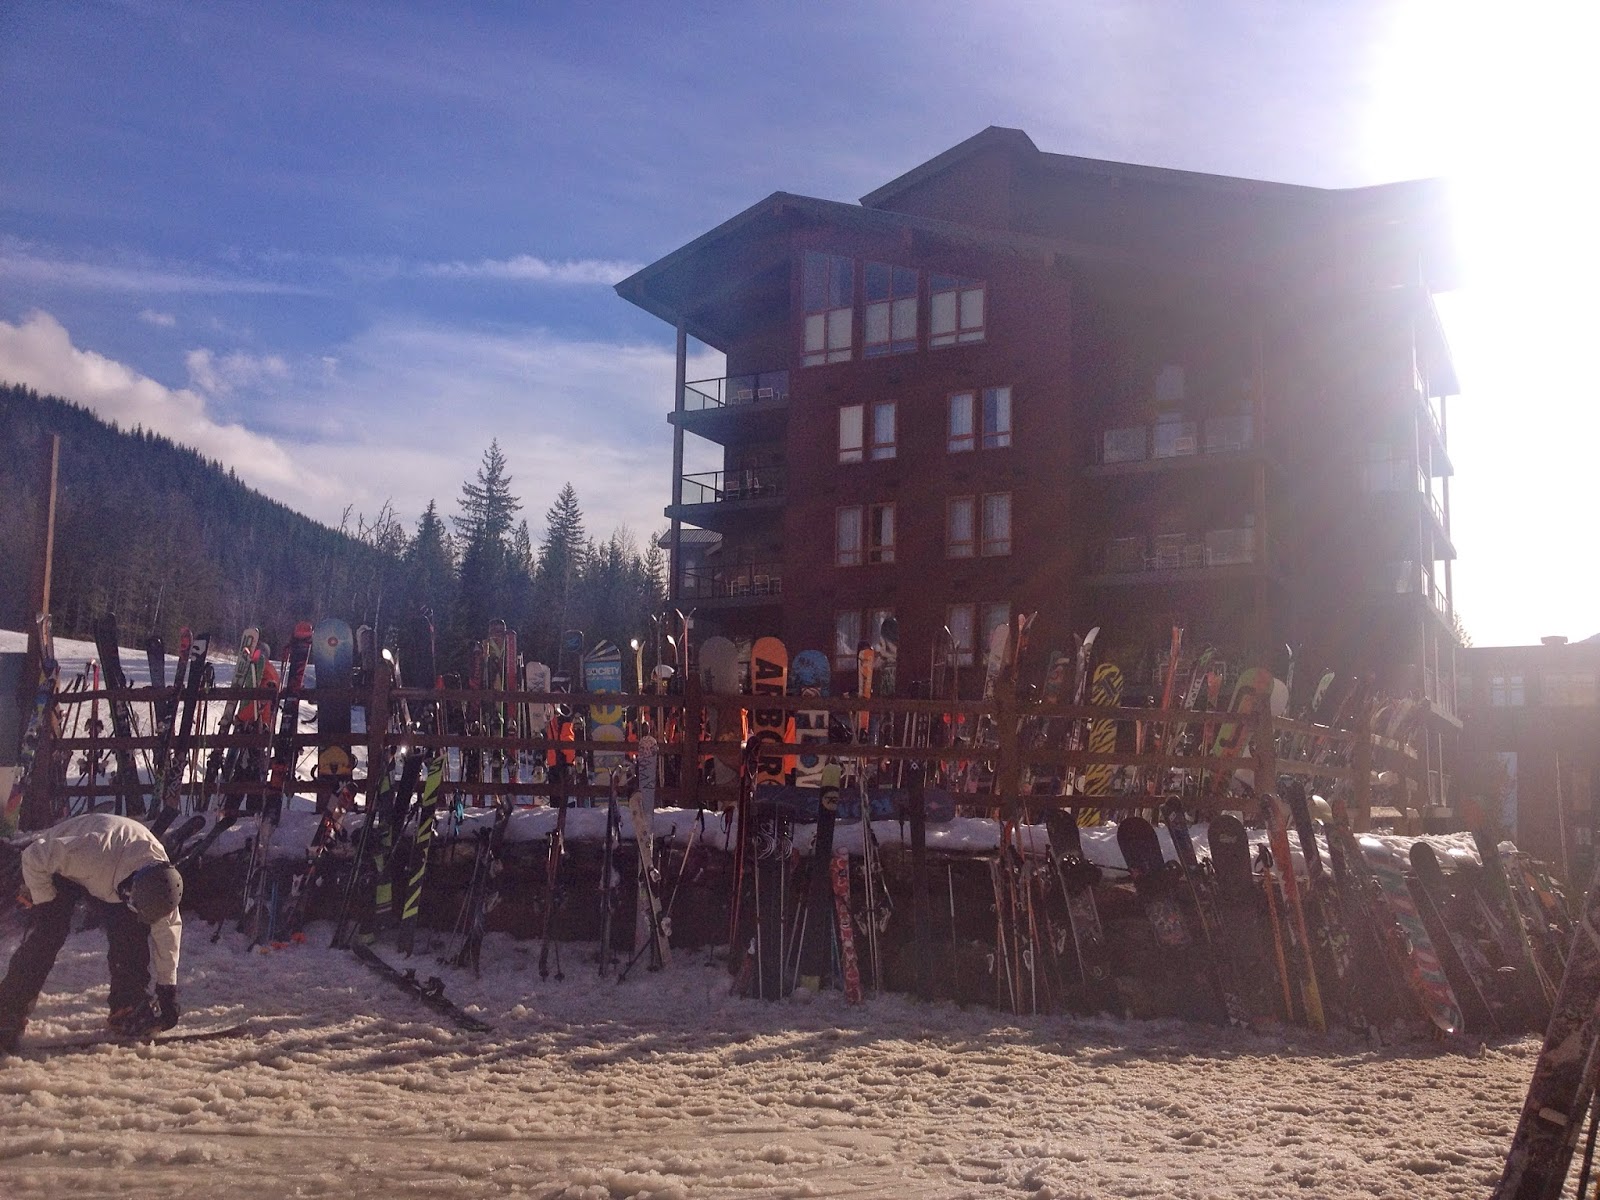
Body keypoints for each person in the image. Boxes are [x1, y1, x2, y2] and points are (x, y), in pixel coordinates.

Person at [0, 812, 184, 1051]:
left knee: (131, 934)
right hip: (61, 869)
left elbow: (167, 933)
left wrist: (167, 989)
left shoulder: (162, 885)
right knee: (49, 934)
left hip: (111, 876)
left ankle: (126, 1005)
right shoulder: (91, 849)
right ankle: (8, 1009)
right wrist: (44, 901)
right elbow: (34, 856)